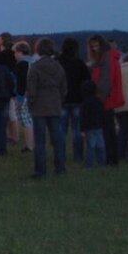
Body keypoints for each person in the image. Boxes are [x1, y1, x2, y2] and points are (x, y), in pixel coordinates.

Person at [26, 37, 67, 178]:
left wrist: (30, 103)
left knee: (40, 141)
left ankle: (40, 170)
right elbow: (64, 87)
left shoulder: (35, 67)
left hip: (39, 106)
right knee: (57, 139)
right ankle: (60, 167)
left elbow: (31, 89)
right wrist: (59, 100)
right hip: (55, 105)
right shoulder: (58, 66)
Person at [87, 34, 123, 165]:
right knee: (109, 130)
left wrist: (99, 99)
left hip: (105, 99)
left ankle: (110, 159)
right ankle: (111, 158)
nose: (95, 49)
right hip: (106, 98)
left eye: (96, 46)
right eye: (92, 47)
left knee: (107, 131)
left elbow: (106, 81)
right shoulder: (106, 59)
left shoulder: (106, 59)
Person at [57, 37, 90, 162]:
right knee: (77, 130)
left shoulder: (58, 63)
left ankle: (61, 156)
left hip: (62, 100)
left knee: (61, 131)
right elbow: (87, 81)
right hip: (77, 100)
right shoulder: (80, 63)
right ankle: (78, 156)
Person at [11, 41, 35, 152]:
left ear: (21, 52)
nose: (14, 55)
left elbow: (20, 82)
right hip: (32, 94)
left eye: (15, 52)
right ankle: (30, 143)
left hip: (23, 96)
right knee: (29, 120)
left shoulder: (22, 64)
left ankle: (29, 145)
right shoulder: (33, 62)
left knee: (26, 120)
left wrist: (18, 97)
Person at [81, 80, 106, 167]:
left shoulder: (85, 103)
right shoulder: (98, 101)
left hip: (89, 128)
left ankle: (89, 164)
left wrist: (82, 129)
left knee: (90, 147)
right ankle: (102, 163)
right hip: (98, 126)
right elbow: (102, 113)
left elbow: (84, 117)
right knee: (101, 146)